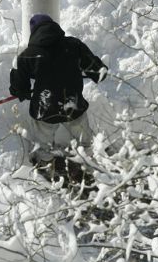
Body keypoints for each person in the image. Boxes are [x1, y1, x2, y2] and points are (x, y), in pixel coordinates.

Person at [10, 14, 108, 164]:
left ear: (34, 32)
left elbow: (19, 87)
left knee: (44, 146)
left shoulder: (28, 56)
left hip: (45, 109)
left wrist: (25, 92)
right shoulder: (74, 45)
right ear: (53, 25)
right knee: (85, 144)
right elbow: (98, 71)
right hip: (73, 105)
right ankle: (90, 166)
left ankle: (47, 166)